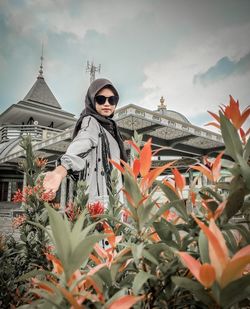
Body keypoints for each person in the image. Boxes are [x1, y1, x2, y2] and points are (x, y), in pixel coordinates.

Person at [43, 78, 127, 208]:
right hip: (100, 202)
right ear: (92, 100)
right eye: (100, 99)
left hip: (114, 199)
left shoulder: (111, 128)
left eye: (112, 100)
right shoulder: (91, 121)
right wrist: (60, 171)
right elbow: (83, 142)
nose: (107, 103)